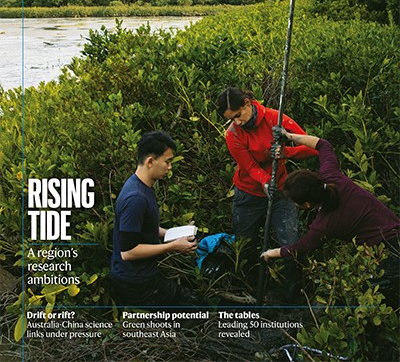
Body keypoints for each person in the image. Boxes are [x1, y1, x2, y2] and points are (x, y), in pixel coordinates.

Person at [261, 127, 400, 306]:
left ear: (306, 205)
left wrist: (271, 253)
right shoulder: (331, 176)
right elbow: (323, 145)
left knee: (367, 299)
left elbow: (301, 247)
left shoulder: (325, 224)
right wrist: (289, 136)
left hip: (388, 254)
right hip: (396, 232)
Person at [216, 87, 318, 299]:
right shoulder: (233, 134)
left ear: (247, 103)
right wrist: (265, 181)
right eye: (231, 119)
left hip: (281, 192)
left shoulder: (275, 119)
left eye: (238, 115)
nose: (237, 122)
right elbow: (249, 166)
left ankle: (291, 294)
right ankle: (249, 288)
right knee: (244, 246)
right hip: (247, 195)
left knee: (291, 242)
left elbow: (311, 146)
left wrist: (286, 152)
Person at [110, 131, 205, 308]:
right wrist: (173, 246)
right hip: (136, 283)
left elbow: (142, 228)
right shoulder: (135, 198)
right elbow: (128, 252)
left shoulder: (142, 186)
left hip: (142, 275)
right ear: (150, 162)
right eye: (167, 161)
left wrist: (172, 234)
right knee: (197, 308)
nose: (170, 167)